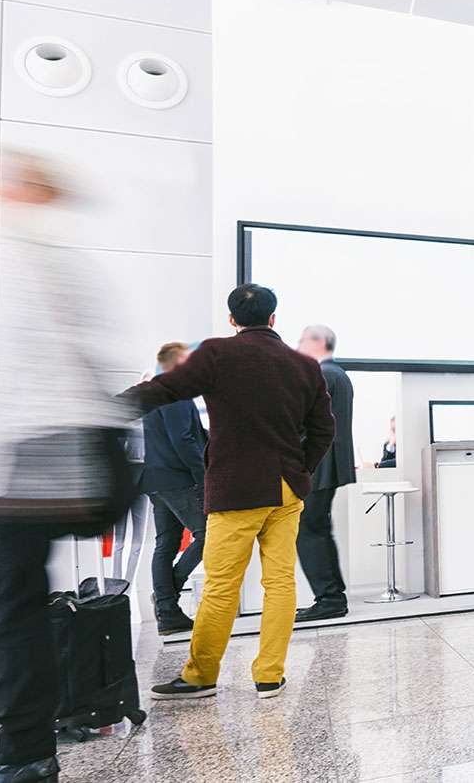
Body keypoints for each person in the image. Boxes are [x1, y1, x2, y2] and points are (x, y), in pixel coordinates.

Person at [0, 151, 132, 783]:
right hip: (57, 445)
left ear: (31, 189)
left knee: (14, 605)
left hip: (47, 447)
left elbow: (31, 369)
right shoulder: (48, 257)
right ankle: (27, 745)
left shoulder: (29, 257)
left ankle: (25, 750)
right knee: (18, 600)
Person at [120, 283, 335, 702]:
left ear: (233, 320)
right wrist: (301, 467)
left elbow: (165, 390)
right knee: (280, 583)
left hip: (237, 489)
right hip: (287, 489)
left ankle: (201, 675)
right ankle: (270, 675)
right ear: (274, 318)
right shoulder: (305, 366)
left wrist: (110, 407)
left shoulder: (218, 353)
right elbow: (324, 430)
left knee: (221, 585)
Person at [140, 341, 209, 634]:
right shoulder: (176, 394)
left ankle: (168, 613)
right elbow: (184, 440)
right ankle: (167, 599)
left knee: (165, 544)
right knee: (209, 535)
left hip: (156, 480)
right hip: (179, 480)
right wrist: (203, 476)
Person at [294, 325, 356, 622]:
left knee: (308, 530)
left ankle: (329, 598)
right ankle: (332, 596)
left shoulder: (322, 374)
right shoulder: (338, 374)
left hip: (317, 464)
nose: (297, 346)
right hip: (328, 463)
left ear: (318, 342)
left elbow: (305, 423)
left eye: (302, 340)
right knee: (317, 528)